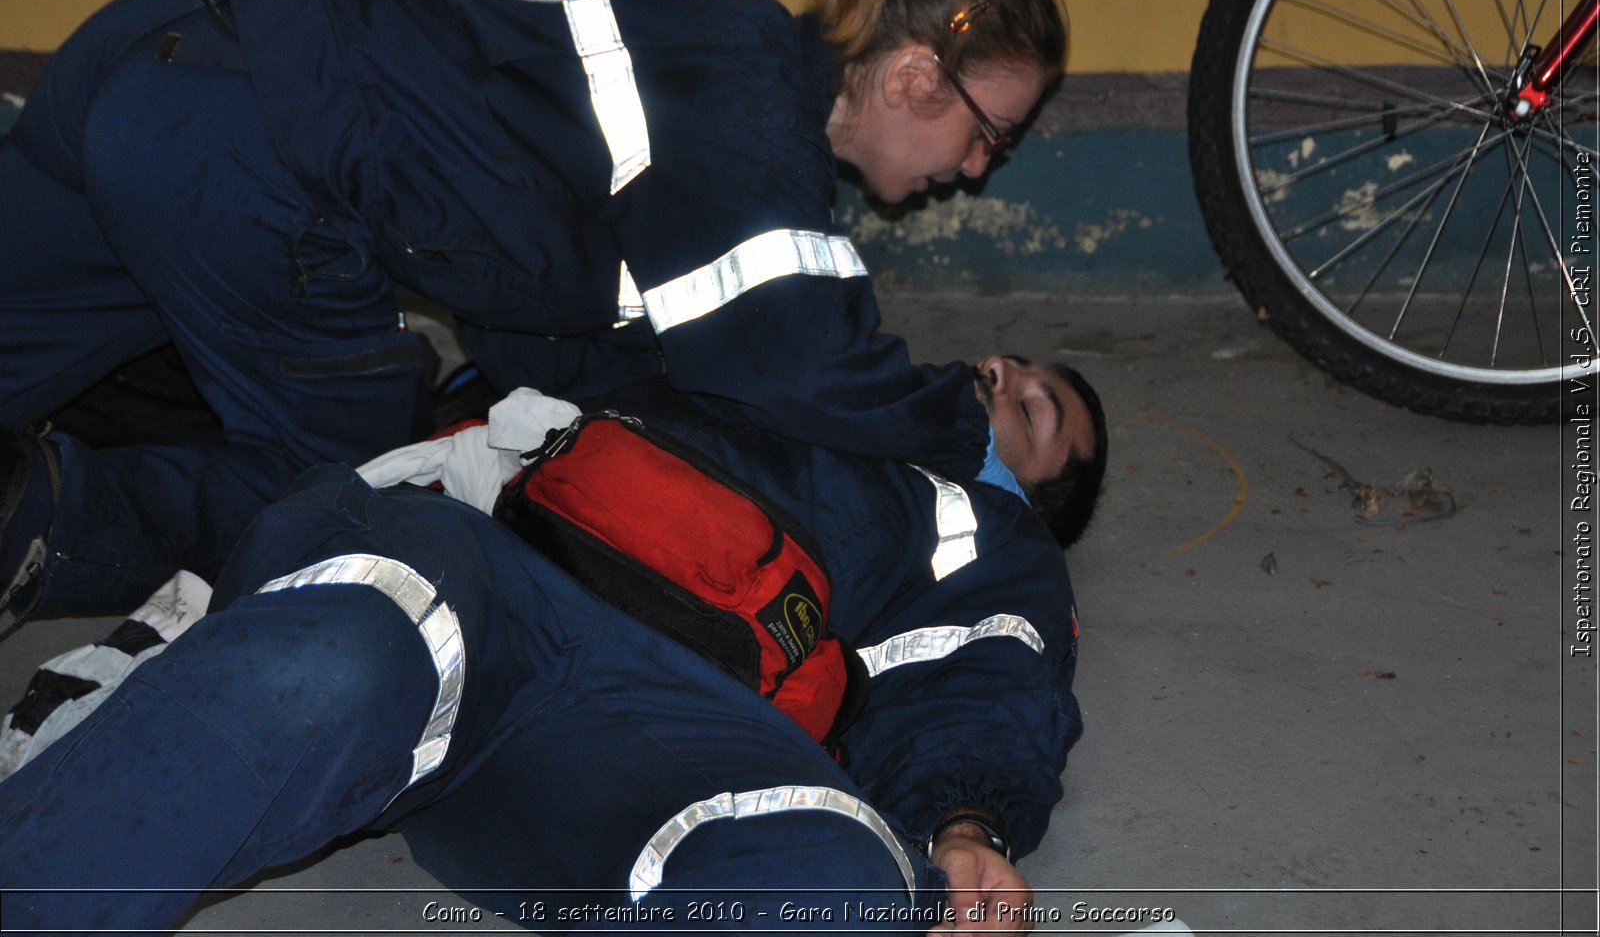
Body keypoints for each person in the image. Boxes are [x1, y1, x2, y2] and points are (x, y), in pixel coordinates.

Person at [0, 0, 1068, 624]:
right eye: (989, 133)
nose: (976, 167)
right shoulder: (756, 129)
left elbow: (555, 326)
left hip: (159, 50)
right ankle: (35, 516)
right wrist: (966, 437)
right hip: (248, 157)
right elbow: (798, 356)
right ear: (915, 77)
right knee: (345, 509)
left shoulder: (711, 56)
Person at [0, 358, 1101, 935]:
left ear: (1038, 493)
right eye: (1011, 365)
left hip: (655, 732)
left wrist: (959, 819)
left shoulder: (984, 532)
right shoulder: (798, 360)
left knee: (838, 889)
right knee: (326, 664)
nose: (1002, 377)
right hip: (476, 564)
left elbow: (983, 670)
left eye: (1038, 408)